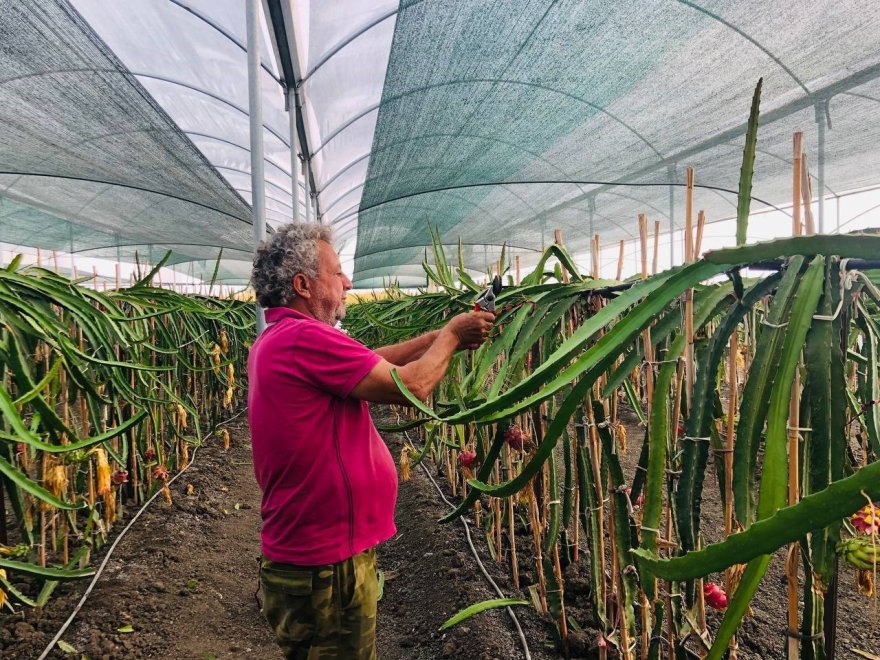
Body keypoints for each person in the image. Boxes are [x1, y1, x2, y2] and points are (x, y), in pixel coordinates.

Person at [248, 222, 495, 659]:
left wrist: (440, 339)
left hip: (319, 558)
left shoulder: (284, 337)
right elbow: (412, 387)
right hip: (325, 566)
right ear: (303, 285)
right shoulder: (303, 338)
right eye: (337, 273)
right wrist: (453, 336)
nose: (347, 282)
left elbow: (371, 363)